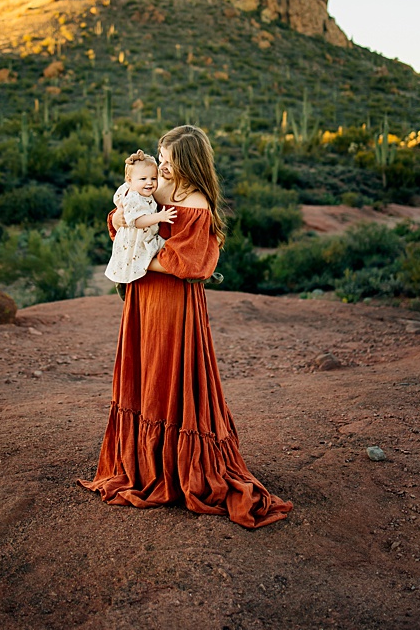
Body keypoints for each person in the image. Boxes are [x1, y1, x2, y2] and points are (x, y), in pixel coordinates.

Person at [80, 124, 292, 529]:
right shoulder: (154, 187)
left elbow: (189, 263)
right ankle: (142, 466)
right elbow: (121, 220)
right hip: (143, 296)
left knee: (167, 371)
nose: (161, 167)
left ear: (189, 162)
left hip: (172, 302)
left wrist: (137, 260)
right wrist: (121, 218)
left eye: (169, 161)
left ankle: (177, 469)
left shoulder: (196, 203)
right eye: (160, 158)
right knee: (145, 372)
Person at [103, 149, 176, 285]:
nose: (149, 183)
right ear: (129, 180)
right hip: (140, 240)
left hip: (145, 237)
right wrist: (160, 216)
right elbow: (137, 222)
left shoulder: (135, 190)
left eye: (153, 178)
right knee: (170, 253)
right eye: (143, 179)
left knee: (170, 251)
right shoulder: (134, 198)